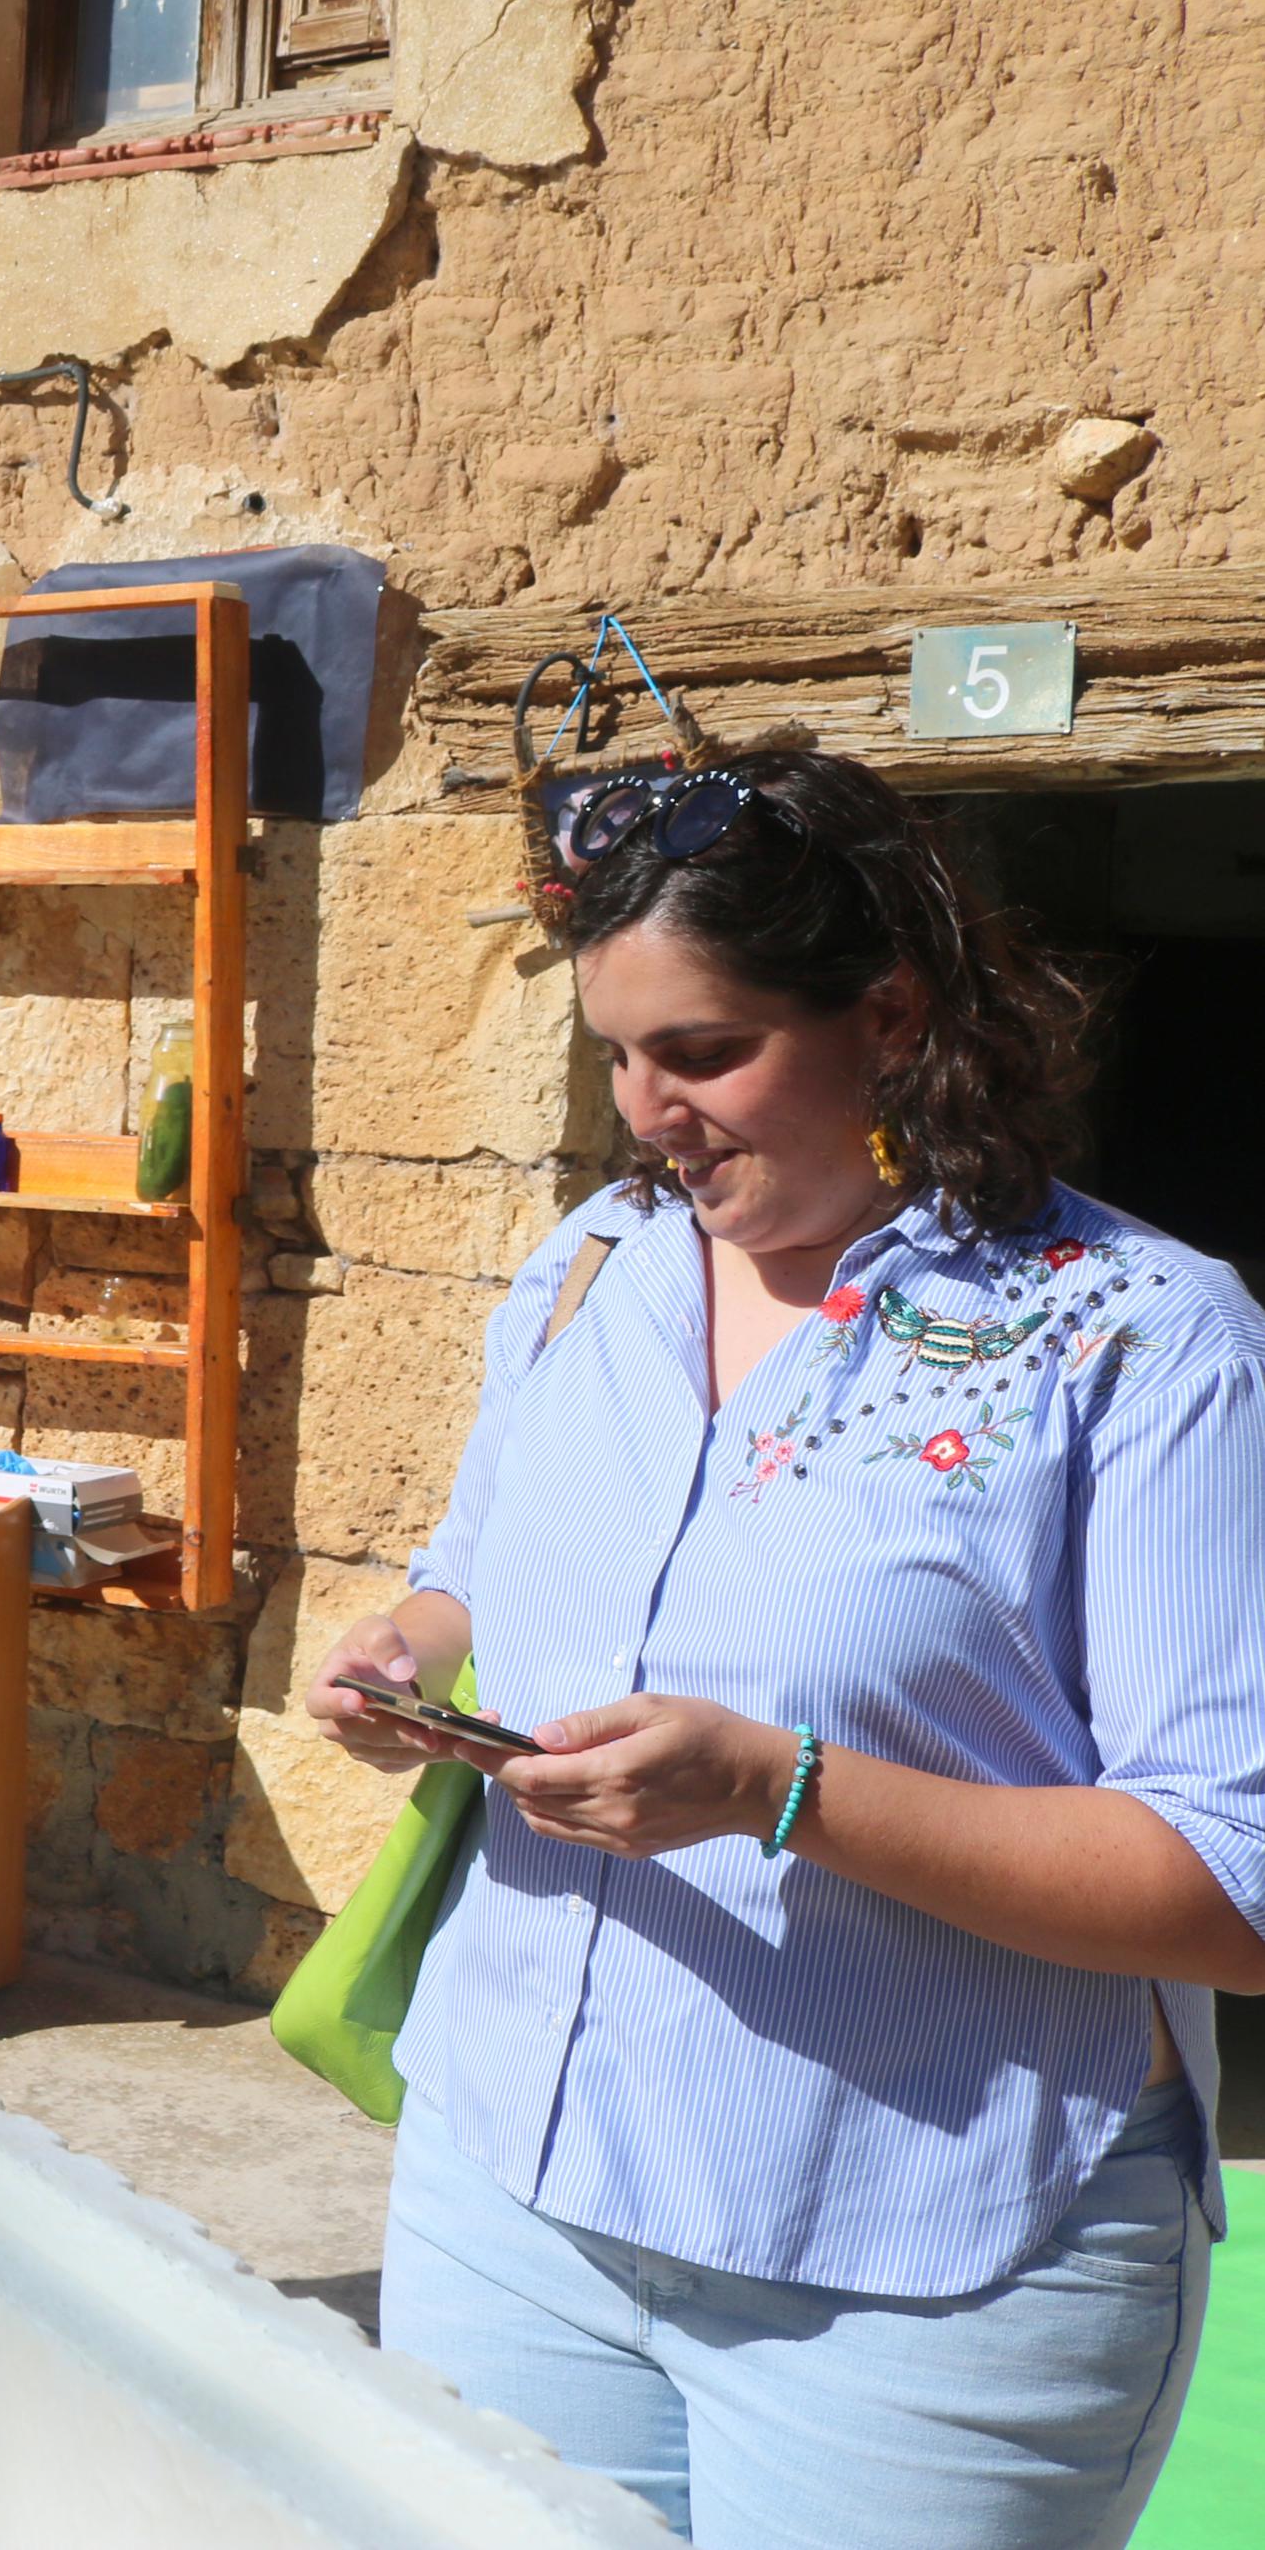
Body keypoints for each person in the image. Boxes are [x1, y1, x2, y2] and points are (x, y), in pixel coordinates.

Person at [309, 746, 1265, 2547]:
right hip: (511, 2199)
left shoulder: (1138, 1343)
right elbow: (474, 1574)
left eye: (704, 1052)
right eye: (616, 1055)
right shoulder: (591, 1264)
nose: (645, 1112)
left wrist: (776, 1788)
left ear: (889, 1017)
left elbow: (1237, 1879)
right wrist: (407, 1653)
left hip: (922, 2281)